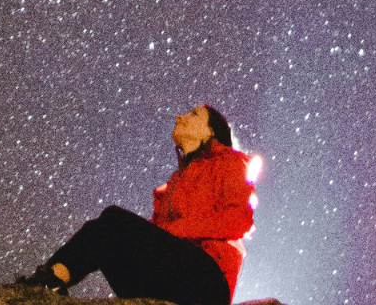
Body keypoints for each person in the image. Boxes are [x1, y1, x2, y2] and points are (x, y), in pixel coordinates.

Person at [18, 104, 260, 305]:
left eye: (193, 114)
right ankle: (50, 283)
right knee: (103, 232)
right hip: (174, 276)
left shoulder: (229, 163)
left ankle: (49, 283)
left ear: (209, 132)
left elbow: (238, 220)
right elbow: (154, 238)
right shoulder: (177, 180)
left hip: (207, 281)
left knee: (112, 219)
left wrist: (172, 232)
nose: (180, 116)